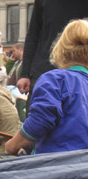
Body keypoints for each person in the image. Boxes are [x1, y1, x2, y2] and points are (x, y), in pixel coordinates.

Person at [5, 19, 88, 155]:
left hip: (55, 168)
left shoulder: (56, 80)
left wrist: (12, 145)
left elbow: (39, 122)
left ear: (61, 49)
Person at [17, 0, 88, 102]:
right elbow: (33, 33)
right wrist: (25, 74)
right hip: (43, 73)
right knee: (39, 117)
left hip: (80, 77)